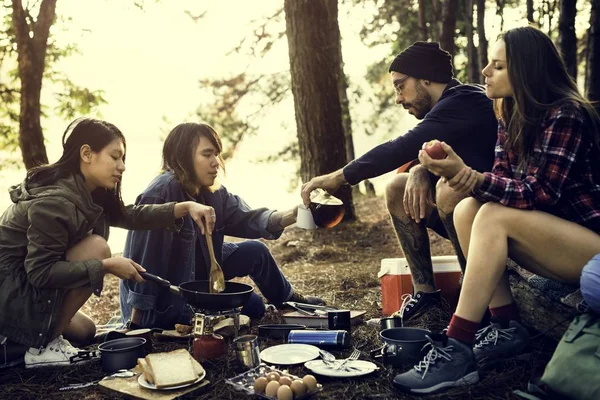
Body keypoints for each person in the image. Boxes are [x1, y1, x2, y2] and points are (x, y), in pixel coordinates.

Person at [393, 26, 600, 394]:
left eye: (498, 66)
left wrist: (467, 175)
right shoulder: (508, 112)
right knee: (468, 209)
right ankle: (506, 326)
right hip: (551, 239)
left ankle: (457, 348)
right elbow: (501, 180)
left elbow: (541, 194)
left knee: (488, 212)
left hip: (589, 246)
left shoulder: (566, 114)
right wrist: (453, 172)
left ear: (527, 72)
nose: (485, 72)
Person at [301, 41, 498, 322]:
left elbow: (401, 146)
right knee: (397, 187)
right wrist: (419, 169)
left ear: (425, 78)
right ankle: (426, 296)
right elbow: (429, 149)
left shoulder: (464, 100)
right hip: (477, 210)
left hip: (502, 211)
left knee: (448, 190)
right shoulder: (451, 106)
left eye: (399, 85)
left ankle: (478, 299)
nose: (397, 97)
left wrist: (338, 178)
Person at [0, 118, 219, 368]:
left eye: (123, 158)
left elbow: (131, 215)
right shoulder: (55, 202)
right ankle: (37, 348)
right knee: (98, 248)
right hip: (10, 296)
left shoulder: (87, 191)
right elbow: (39, 273)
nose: (122, 166)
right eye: (115, 157)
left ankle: (44, 338)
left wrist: (186, 207)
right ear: (86, 154)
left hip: (25, 290)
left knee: (86, 331)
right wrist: (106, 266)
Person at [119, 122, 323, 330]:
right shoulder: (161, 192)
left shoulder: (213, 192)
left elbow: (250, 219)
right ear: (183, 158)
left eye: (216, 154)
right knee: (254, 306)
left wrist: (294, 215)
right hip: (169, 300)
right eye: (207, 155)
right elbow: (144, 262)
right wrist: (137, 324)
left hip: (203, 272)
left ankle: (288, 300)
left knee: (256, 250)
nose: (216, 162)